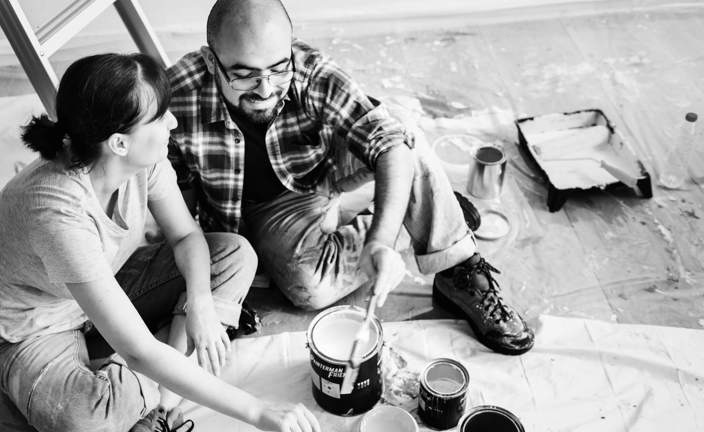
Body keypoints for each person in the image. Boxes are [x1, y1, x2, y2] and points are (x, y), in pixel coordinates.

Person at [0, 53, 321, 432]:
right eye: (161, 117)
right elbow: (138, 351)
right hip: (32, 328)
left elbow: (186, 236)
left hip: (104, 287)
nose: (173, 122)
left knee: (234, 254)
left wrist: (198, 301)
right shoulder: (56, 212)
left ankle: (157, 408)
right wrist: (257, 411)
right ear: (118, 142)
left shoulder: (142, 159)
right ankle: (162, 388)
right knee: (88, 416)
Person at [167, 0, 535, 356]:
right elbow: (177, 198)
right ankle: (430, 212)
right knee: (309, 288)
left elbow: (389, 144)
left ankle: (456, 264)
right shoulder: (177, 95)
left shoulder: (309, 70)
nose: (265, 90)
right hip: (262, 207)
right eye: (244, 75)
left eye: (278, 69)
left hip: (321, 172)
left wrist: (380, 242)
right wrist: (217, 283)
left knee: (400, 135)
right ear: (211, 61)